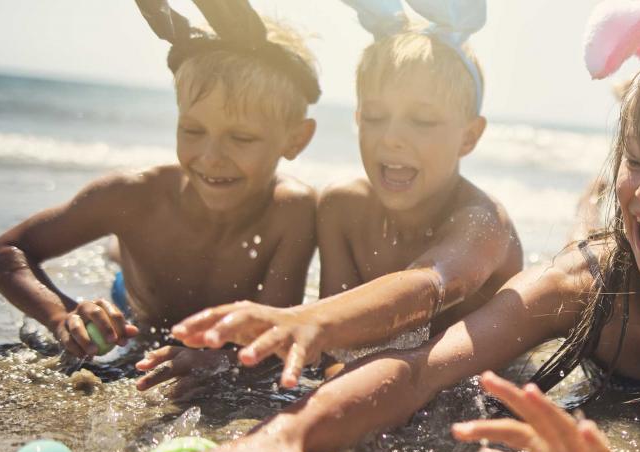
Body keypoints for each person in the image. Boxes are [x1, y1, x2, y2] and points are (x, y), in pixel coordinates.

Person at [84, 0, 640, 452]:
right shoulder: (581, 284)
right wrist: (286, 433)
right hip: (606, 294)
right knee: (599, 231)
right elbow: (422, 367)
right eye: (638, 158)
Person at [156, 0, 523, 390]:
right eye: (375, 117)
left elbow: (430, 285)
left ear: (469, 136)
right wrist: (231, 360)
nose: (392, 137)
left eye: (422, 120)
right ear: (357, 120)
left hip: (482, 391)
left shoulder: (482, 222)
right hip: (393, 385)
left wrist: (309, 318)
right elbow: (337, 354)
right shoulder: (343, 210)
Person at [0, 0, 321, 387]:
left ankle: (118, 249)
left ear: (296, 139)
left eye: (241, 138)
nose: (211, 157)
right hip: (136, 303)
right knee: (120, 264)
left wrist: (217, 362)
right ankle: (118, 251)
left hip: (195, 313)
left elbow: (273, 336)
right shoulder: (132, 196)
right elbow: (1, 254)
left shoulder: (292, 210)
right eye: (193, 131)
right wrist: (63, 317)